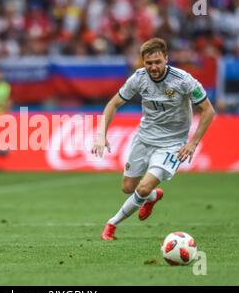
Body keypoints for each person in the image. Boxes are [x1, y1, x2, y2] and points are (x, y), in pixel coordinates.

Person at [92, 38, 215, 241]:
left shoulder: (183, 80)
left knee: (142, 187)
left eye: (158, 62)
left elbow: (208, 110)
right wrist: (100, 134)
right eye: (149, 63)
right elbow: (113, 104)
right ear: (143, 62)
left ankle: (111, 224)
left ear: (166, 58)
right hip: (145, 138)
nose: (154, 67)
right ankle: (153, 197)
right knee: (128, 188)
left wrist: (193, 142)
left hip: (173, 144)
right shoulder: (138, 78)